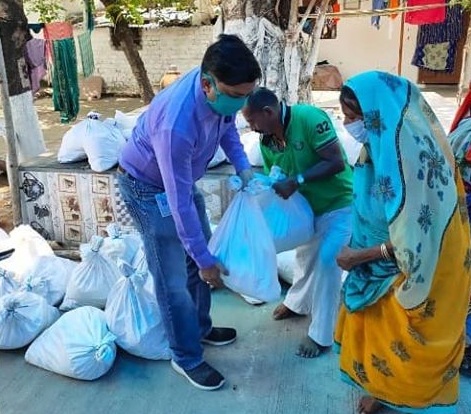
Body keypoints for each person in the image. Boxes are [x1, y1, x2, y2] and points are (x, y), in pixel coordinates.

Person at [117, 34, 261, 391]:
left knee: (200, 256)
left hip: (178, 183)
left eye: (247, 95)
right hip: (148, 189)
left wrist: (243, 166)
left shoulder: (217, 98)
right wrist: (202, 258)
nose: (242, 103)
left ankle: (200, 329)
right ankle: (185, 356)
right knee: (175, 279)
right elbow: (178, 200)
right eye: (236, 95)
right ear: (208, 84)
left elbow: (227, 131)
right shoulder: (176, 124)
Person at [335, 71, 471, 414]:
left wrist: (360, 256)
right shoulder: (379, 145)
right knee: (378, 346)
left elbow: (418, 239)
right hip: (371, 270)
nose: (348, 124)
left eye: (354, 117)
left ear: (379, 114)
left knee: (409, 352)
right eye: (345, 116)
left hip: (408, 276)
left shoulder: (408, 161)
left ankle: (408, 400)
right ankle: (382, 393)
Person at [242, 87, 353, 358]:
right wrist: (261, 186)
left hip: (340, 204)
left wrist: (297, 181)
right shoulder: (266, 142)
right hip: (307, 209)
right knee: (305, 257)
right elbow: (276, 175)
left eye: (252, 121)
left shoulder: (309, 118)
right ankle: (297, 304)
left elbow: (336, 162)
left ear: (269, 112)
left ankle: (321, 335)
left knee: (328, 263)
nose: (251, 127)